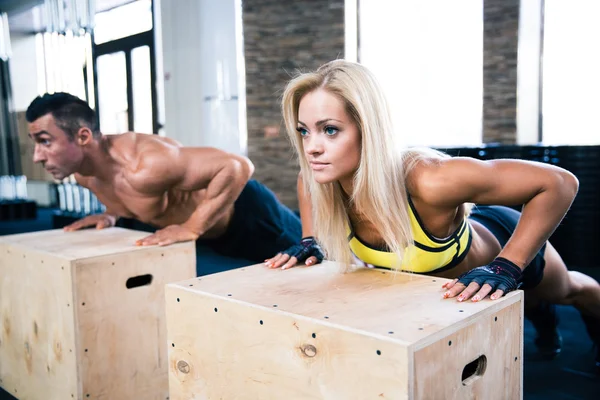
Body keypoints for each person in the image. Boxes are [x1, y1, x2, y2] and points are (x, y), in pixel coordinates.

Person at [264, 59, 600, 371]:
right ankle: (542, 313)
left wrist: (507, 266)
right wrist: (310, 240)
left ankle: (550, 312)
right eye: (304, 131)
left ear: (369, 129)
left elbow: (559, 183)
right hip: (446, 282)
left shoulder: (430, 179)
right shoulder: (322, 178)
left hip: (500, 235)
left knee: (566, 291)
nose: (312, 147)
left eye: (331, 130)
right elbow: (306, 184)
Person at [26, 92, 302, 272]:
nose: (38, 156)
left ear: (83, 137)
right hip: (213, 234)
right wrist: (111, 215)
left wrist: (192, 227)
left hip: (250, 215)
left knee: (314, 261)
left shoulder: (145, 164)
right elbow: (129, 197)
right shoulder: (85, 175)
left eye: (45, 142)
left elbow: (236, 166)